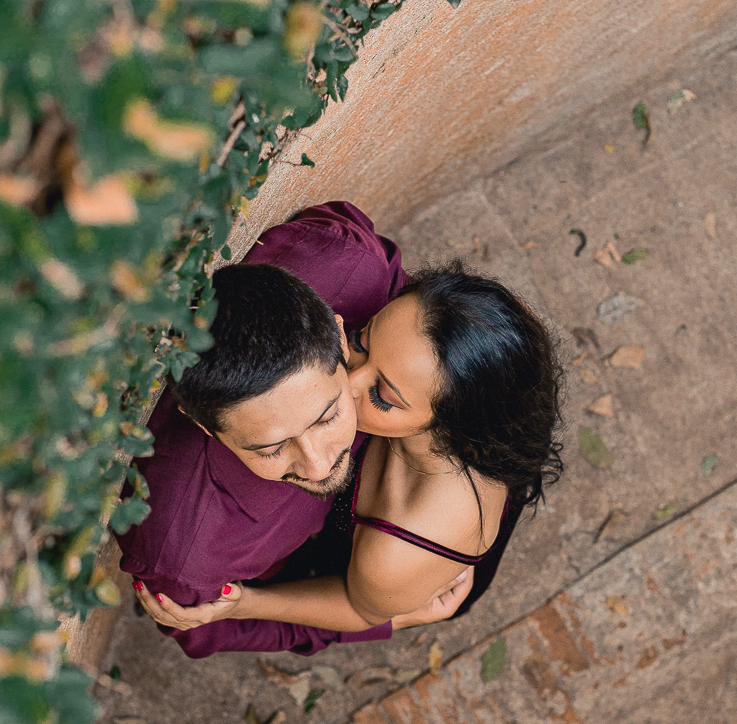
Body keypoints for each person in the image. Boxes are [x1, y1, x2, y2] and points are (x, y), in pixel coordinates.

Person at [117, 200, 472, 660]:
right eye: (272, 447)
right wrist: (394, 619)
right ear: (203, 426)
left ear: (343, 340)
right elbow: (214, 630)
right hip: (321, 573)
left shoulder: (346, 264)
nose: (319, 463)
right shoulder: (185, 555)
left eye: (328, 415)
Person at [134, 263, 564, 637]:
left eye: (382, 396)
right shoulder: (439, 349)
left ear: (449, 426)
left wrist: (246, 603)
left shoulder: (404, 547)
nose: (348, 384)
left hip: (388, 583)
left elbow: (360, 609)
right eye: (360, 343)